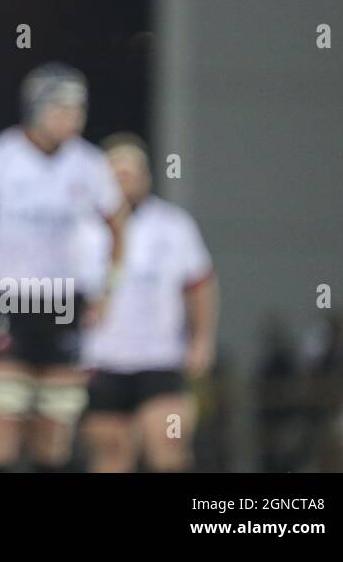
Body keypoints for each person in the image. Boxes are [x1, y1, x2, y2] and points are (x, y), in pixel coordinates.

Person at [0, 64, 126, 471]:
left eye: (78, 108)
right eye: (62, 108)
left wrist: (107, 291)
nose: (73, 117)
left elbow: (120, 230)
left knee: (55, 432)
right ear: (36, 108)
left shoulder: (90, 165)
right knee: (2, 421)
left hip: (65, 303)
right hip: (7, 301)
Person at [79, 133, 218, 472]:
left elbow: (200, 285)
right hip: (102, 361)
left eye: (131, 173)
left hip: (160, 359)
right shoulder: (81, 229)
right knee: (112, 453)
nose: (124, 182)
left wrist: (202, 340)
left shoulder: (174, 226)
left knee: (168, 445)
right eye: (116, 174)